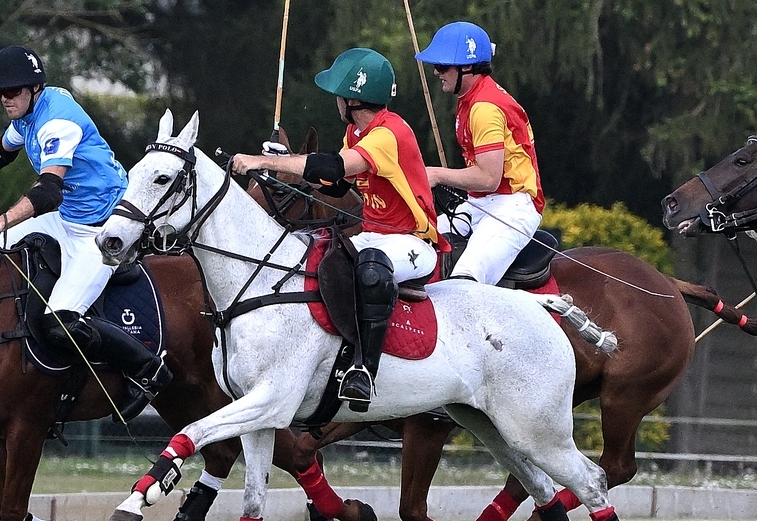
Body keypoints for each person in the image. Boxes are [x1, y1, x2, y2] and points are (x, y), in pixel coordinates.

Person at [230, 47, 446, 410]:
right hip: (375, 234)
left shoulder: (389, 133)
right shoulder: (356, 132)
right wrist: (282, 166)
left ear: (352, 99)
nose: (336, 101)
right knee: (317, 256)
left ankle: (364, 370)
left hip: (413, 241)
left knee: (369, 267)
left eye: (338, 95)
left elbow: (332, 167)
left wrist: (261, 161)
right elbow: (335, 185)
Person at [0, 45, 157, 380]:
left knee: (60, 323)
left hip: (103, 231)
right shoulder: (28, 113)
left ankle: (148, 368)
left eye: (10, 91)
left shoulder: (57, 122)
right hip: (67, 218)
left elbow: (49, 191)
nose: (3, 99)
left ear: (35, 87)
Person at [415, 21, 546, 286]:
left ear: (467, 67)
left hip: (511, 206)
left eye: (442, 66)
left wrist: (437, 175)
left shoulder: (485, 107)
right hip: (480, 204)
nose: (436, 72)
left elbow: (488, 178)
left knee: (463, 281)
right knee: (414, 236)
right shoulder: (471, 98)